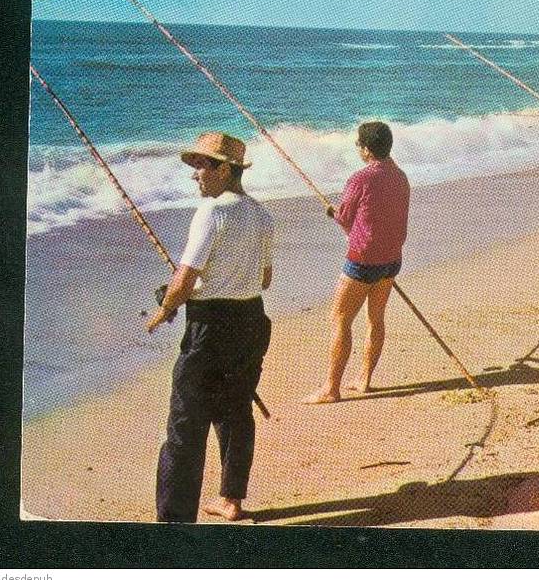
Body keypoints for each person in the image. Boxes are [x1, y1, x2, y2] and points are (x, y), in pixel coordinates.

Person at [147, 132, 273, 523]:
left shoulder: (211, 213)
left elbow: (184, 282)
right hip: (251, 321)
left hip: (210, 329)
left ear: (224, 169)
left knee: (186, 424)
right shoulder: (263, 216)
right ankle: (231, 500)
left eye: (202, 166)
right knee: (236, 412)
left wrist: (164, 309)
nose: (195, 175)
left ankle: (175, 521)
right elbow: (265, 279)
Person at [304, 121, 410, 403]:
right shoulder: (401, 177)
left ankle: (331, 388)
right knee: (376, 319)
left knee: (340, 319)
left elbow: (345, 219)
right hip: (391, 259)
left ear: (365, 149)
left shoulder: (360, 179)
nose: (357, 148)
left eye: (358, 144)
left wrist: (333, 213)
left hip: (363, 260)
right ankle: (364, 379)